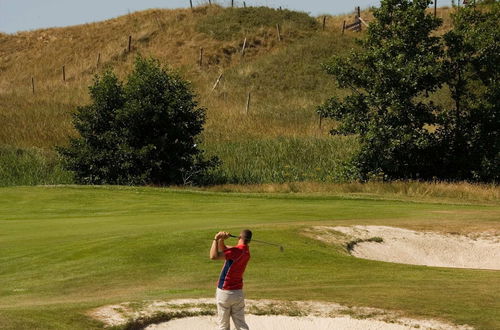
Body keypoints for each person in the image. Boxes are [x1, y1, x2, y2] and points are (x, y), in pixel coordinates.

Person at [210, 229, 252, 330]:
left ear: (239, 237)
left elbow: (213, 256)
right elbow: (225, 249)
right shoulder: (246, 251)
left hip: (225, 292)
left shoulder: (235, 251)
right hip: (238, 294)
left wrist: (216, 239)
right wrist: (222, 240)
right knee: (241, 324)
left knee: (223, 326)